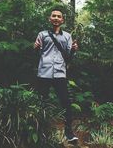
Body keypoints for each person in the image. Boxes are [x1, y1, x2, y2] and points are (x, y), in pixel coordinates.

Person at [34, 8, 79, 142]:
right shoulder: (42, 35)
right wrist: (35, 47)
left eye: (59, 16)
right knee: (42, 103)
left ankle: (69, 133)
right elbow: (36, 52)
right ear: (50, 19)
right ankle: (41, 132)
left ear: (62, 20)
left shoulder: (67, 36)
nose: (56, 18)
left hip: (60, 73)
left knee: (66, 102)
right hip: (44, 72)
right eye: (53, 16)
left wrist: (73, 50)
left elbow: (69, 57)